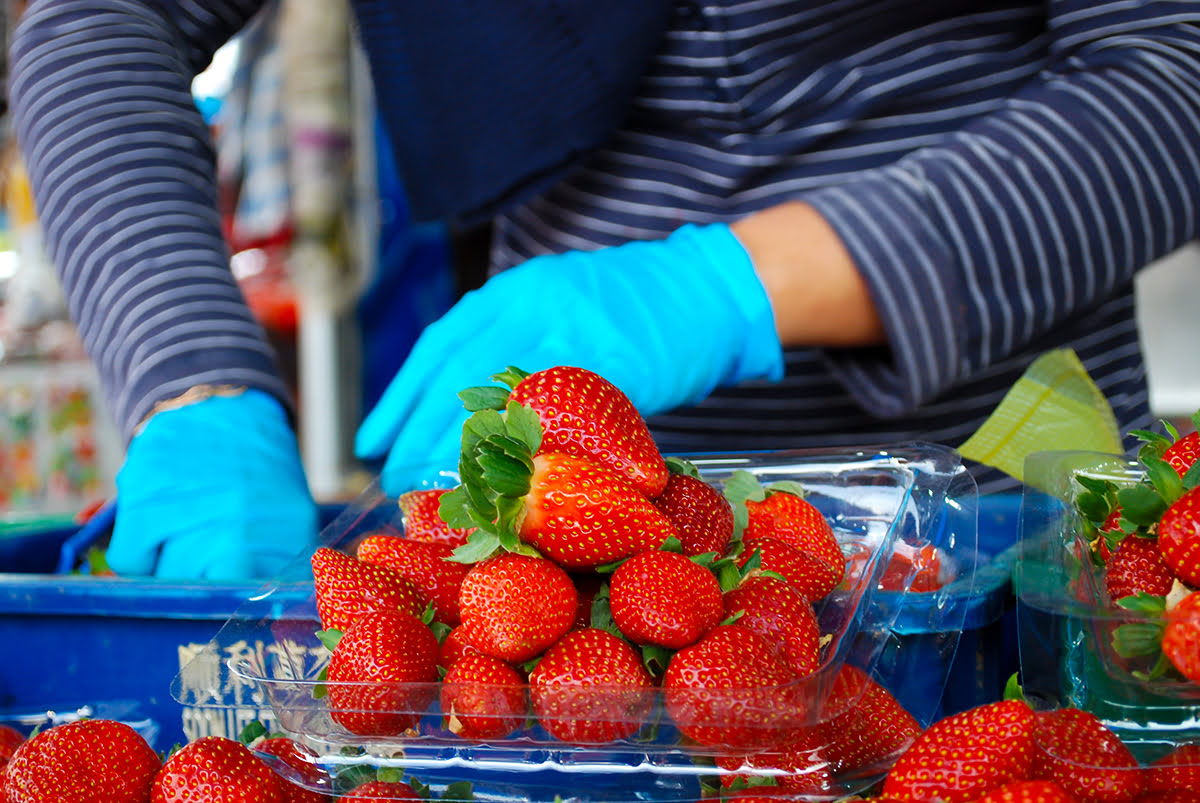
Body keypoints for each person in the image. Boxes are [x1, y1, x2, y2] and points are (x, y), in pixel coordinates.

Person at [9, 1, 1200, 580]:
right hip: (548, 579)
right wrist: (190, 379)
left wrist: (730, 286)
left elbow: (1176, 73)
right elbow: (103, 17)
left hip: (1003, 514)